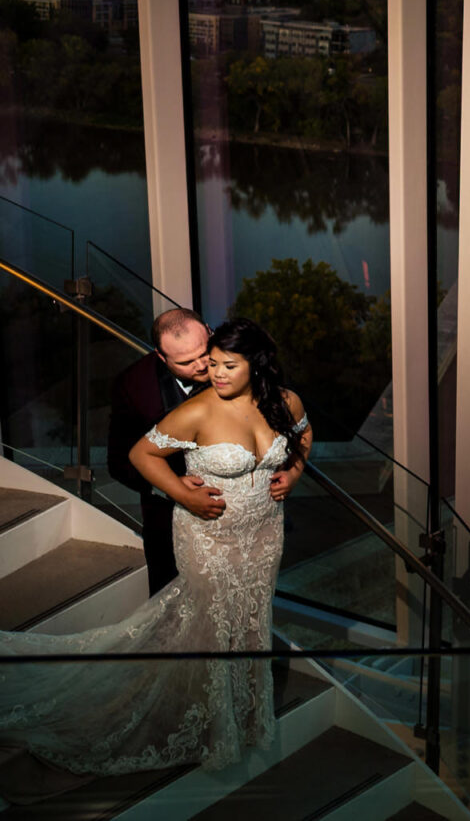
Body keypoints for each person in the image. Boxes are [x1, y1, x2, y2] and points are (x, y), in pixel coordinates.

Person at [0, 319, 311, 779]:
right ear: (163, 359)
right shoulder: (192, 408)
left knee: (252, 618)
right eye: (205, 363)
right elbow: (138, 455)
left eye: (224, 362)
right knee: (211, 617)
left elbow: (303, 434)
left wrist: (295, 471)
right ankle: (209, 720)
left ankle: (247, 712)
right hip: (207, 537)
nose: (212, 370)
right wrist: (182, 494)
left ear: (255, 364)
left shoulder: (285, 400)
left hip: (264, 536)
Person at [107, 308, 225, 593]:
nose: (201, 366)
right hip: (169, 524)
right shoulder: (132, 386)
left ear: (210, 331)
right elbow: (119, 462)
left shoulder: (237, 360)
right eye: (186, 362)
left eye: (203, 352)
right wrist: (172, 487)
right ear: (161, 356)